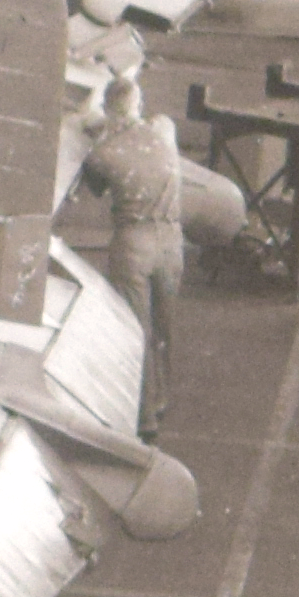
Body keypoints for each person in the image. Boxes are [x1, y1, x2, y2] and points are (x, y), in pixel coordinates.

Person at [81, 30, 190, 429]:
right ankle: (163, 397)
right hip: (171, 241)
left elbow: (95, 188)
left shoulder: (103, 154)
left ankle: (143, 418)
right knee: (166, 325)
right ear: (139, 105)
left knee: (134, 330)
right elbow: (150, 125)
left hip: (134, 243)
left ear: (110, 113)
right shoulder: (163, 130)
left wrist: (98, 132)